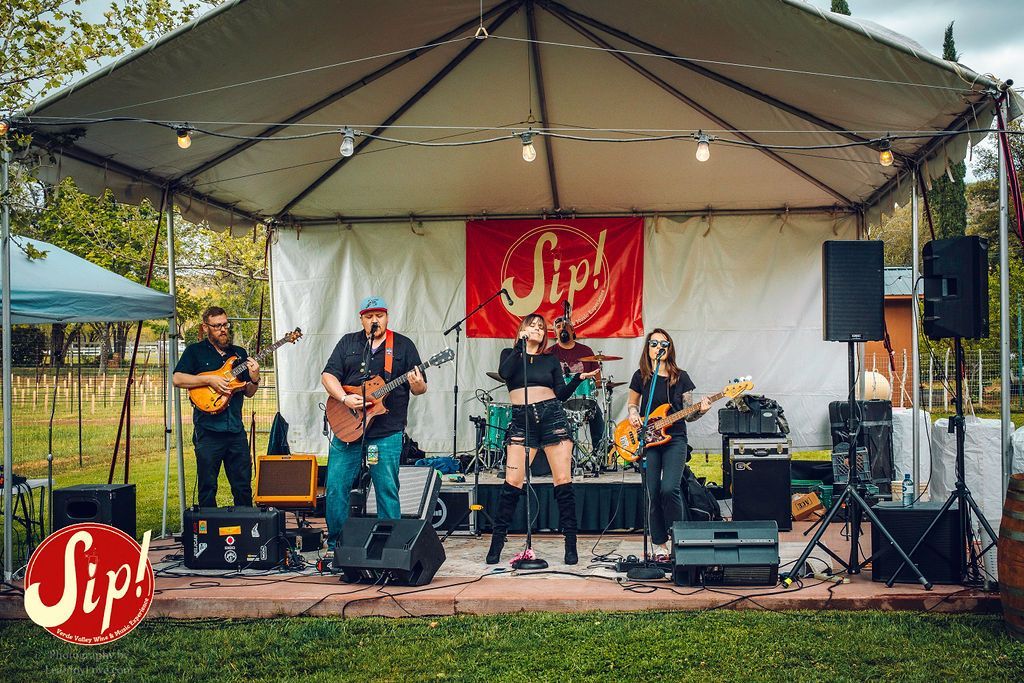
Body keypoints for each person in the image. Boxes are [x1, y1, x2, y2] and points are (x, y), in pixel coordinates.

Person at [488, 314, 600, 566]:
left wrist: (578, 379)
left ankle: (570, 545)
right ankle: (497, 541)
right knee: (512, 483)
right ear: (523, 330)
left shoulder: (550, 359)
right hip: (521, 422)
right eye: (532, 325)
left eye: (541, 327)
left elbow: (560, 394)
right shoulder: (510, 354)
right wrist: (520, 346)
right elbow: (506, 374)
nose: (537, 329)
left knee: (563, 482)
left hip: (552, 419)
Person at [321, 296, 427, 552]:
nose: (374, 320)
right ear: (362, 319)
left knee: (386, 489)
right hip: (347, 428)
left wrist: (416, 384)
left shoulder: (402, 345)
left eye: (379, 315)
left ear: (387, 317)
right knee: (335, 487)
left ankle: (390, 547)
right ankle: (337, 545)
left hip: (386, 431)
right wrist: (345, 398)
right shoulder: (348, 342)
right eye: (369, 316)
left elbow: (421, 388)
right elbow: (328, 376)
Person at [626, 328, 711, 561]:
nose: (659, 347)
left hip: (675, 439)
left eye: (664, 343)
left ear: (670, 348)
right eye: (654, 343)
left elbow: (688, 414)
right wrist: (634, 415)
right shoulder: (641, 375)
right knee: (652, 492)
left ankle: (680, 538)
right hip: (649, 440)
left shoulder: (681, 377)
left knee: (669, 488)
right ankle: (660, 544)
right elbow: (632, 403)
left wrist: (701, 411)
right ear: (648, 348)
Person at [173, 306, 260, 508]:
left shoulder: (239, 354)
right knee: (207, 486)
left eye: (225, 324)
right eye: (217, 326)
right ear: (206, 327)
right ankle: (207, 534)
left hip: (235, 430)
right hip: (208, 431)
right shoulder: (195, 351)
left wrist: (254, 379)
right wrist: (210, 380)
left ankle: (246, 531)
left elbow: (248, 391)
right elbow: (177, 378)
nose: (223, 329)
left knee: (242, 486)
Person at [549, 317, 605, 452]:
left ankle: (600, 455)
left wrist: (597, 385)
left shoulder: (586, 351)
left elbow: (597, 380)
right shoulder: (549, 353)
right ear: (554, 332)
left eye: (566, 326)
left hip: (584, 397)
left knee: (596, 414)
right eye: (558, 327)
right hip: (560, 399)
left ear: (572, 330)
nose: (562, 329)